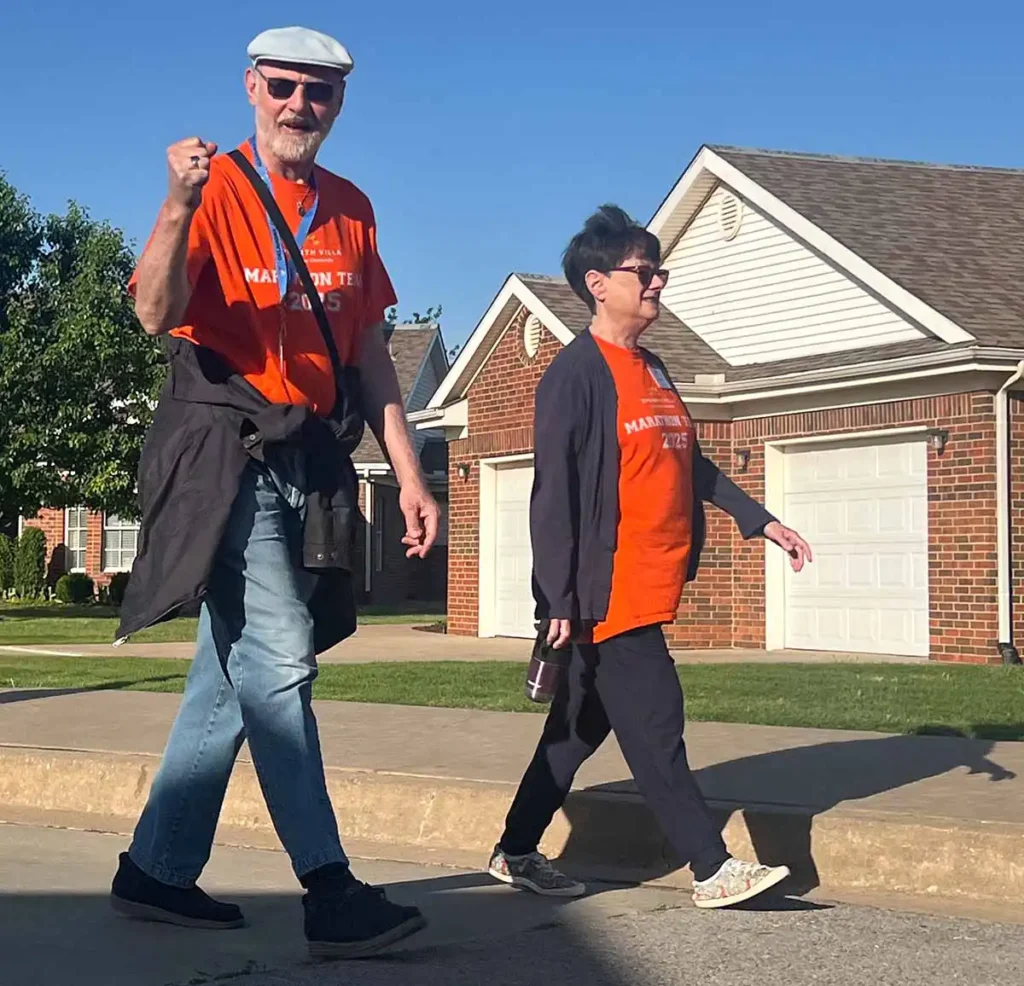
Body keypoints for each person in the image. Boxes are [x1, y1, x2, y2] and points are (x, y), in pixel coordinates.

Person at [108, 26, 438, 959]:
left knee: (235, 670)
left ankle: (157, 871)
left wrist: (410, 476)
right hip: (224, 452)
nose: (300, 106)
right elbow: (155, 314)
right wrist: (176, 204)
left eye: (319, 93)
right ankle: (329, 889)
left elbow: (370, 357)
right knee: (279, 658)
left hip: (311, 457)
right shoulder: (210, 189)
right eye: (285, 87)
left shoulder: (353, 209)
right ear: (253, 88)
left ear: (339, 103)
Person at [487, 205, 814, 909]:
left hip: (649, 580)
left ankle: (515, 850)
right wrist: (563, 601)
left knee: (575, 732)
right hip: (607, 591)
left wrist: (763, 522)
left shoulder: (653, 368)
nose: (658, 281)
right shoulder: (576, 374)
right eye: (645, 271)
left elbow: (688, 461)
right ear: (598, 283)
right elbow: (554, 498)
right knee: (657, 719)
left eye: (659, 269)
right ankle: (711, 867)